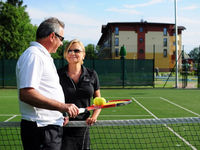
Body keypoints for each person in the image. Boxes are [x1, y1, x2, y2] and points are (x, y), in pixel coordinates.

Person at [16, 17, 79, 150]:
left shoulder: (42, 56)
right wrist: (62, 107)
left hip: (48, 128)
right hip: (41, 130)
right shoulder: (34, 56)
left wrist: (58, 114)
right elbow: (27, 94)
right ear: (52, 36)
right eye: (61, 39)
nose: (62, 43)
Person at [57, 39, 102, 150]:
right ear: (66, 54)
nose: (72, 53)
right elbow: (52, 98)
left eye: (76, 50)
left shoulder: (92, 74)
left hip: (83, 126)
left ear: (83, 55)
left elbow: (98, 100)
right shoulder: (57, 74)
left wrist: (94, 117)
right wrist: (63, 115)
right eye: (69, 51)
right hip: (62, 125)